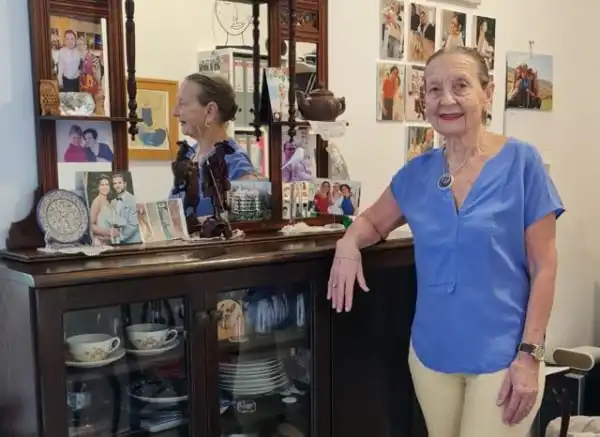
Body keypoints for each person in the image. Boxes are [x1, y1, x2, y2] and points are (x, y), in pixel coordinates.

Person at [327, 46, 563, 437]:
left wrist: (530, 355)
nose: (446, 99)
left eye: (460, 86)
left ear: (487, 93)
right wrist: (348, 245)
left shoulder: (523, 163)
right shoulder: (416, 174)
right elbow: (371, 221)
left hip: (503, 356)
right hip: (431, 355)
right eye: (434, 89)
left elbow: (545, 266)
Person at [170, 72, 257, 219]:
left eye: (182, 103)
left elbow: (245, 224)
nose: (175, 112)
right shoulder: (189, 155)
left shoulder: (236, 164)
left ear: (210, 111)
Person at [110, 173, 142, 244]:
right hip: (117, 241)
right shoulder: (113, 202)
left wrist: (120, 237)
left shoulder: (133, 200)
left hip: (133, 242)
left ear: (125, 184)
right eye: (115, 183)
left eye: (119, 183)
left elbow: (133, 225)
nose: (117, 186)